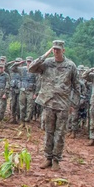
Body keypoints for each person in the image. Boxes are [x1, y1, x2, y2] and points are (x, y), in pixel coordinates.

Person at [29, 40, 78, 168]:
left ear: (63, 50)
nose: (56, 51)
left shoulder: (70, 66)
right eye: (54, 49)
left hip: (63, 105)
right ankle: (48, 158)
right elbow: (31, 68)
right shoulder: (47, 63)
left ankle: (56, 159)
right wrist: (44, 55)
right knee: (48, 132)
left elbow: (77, 87)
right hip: (48, 102)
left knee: (60, 133)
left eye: (58, 49)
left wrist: (73, 104)